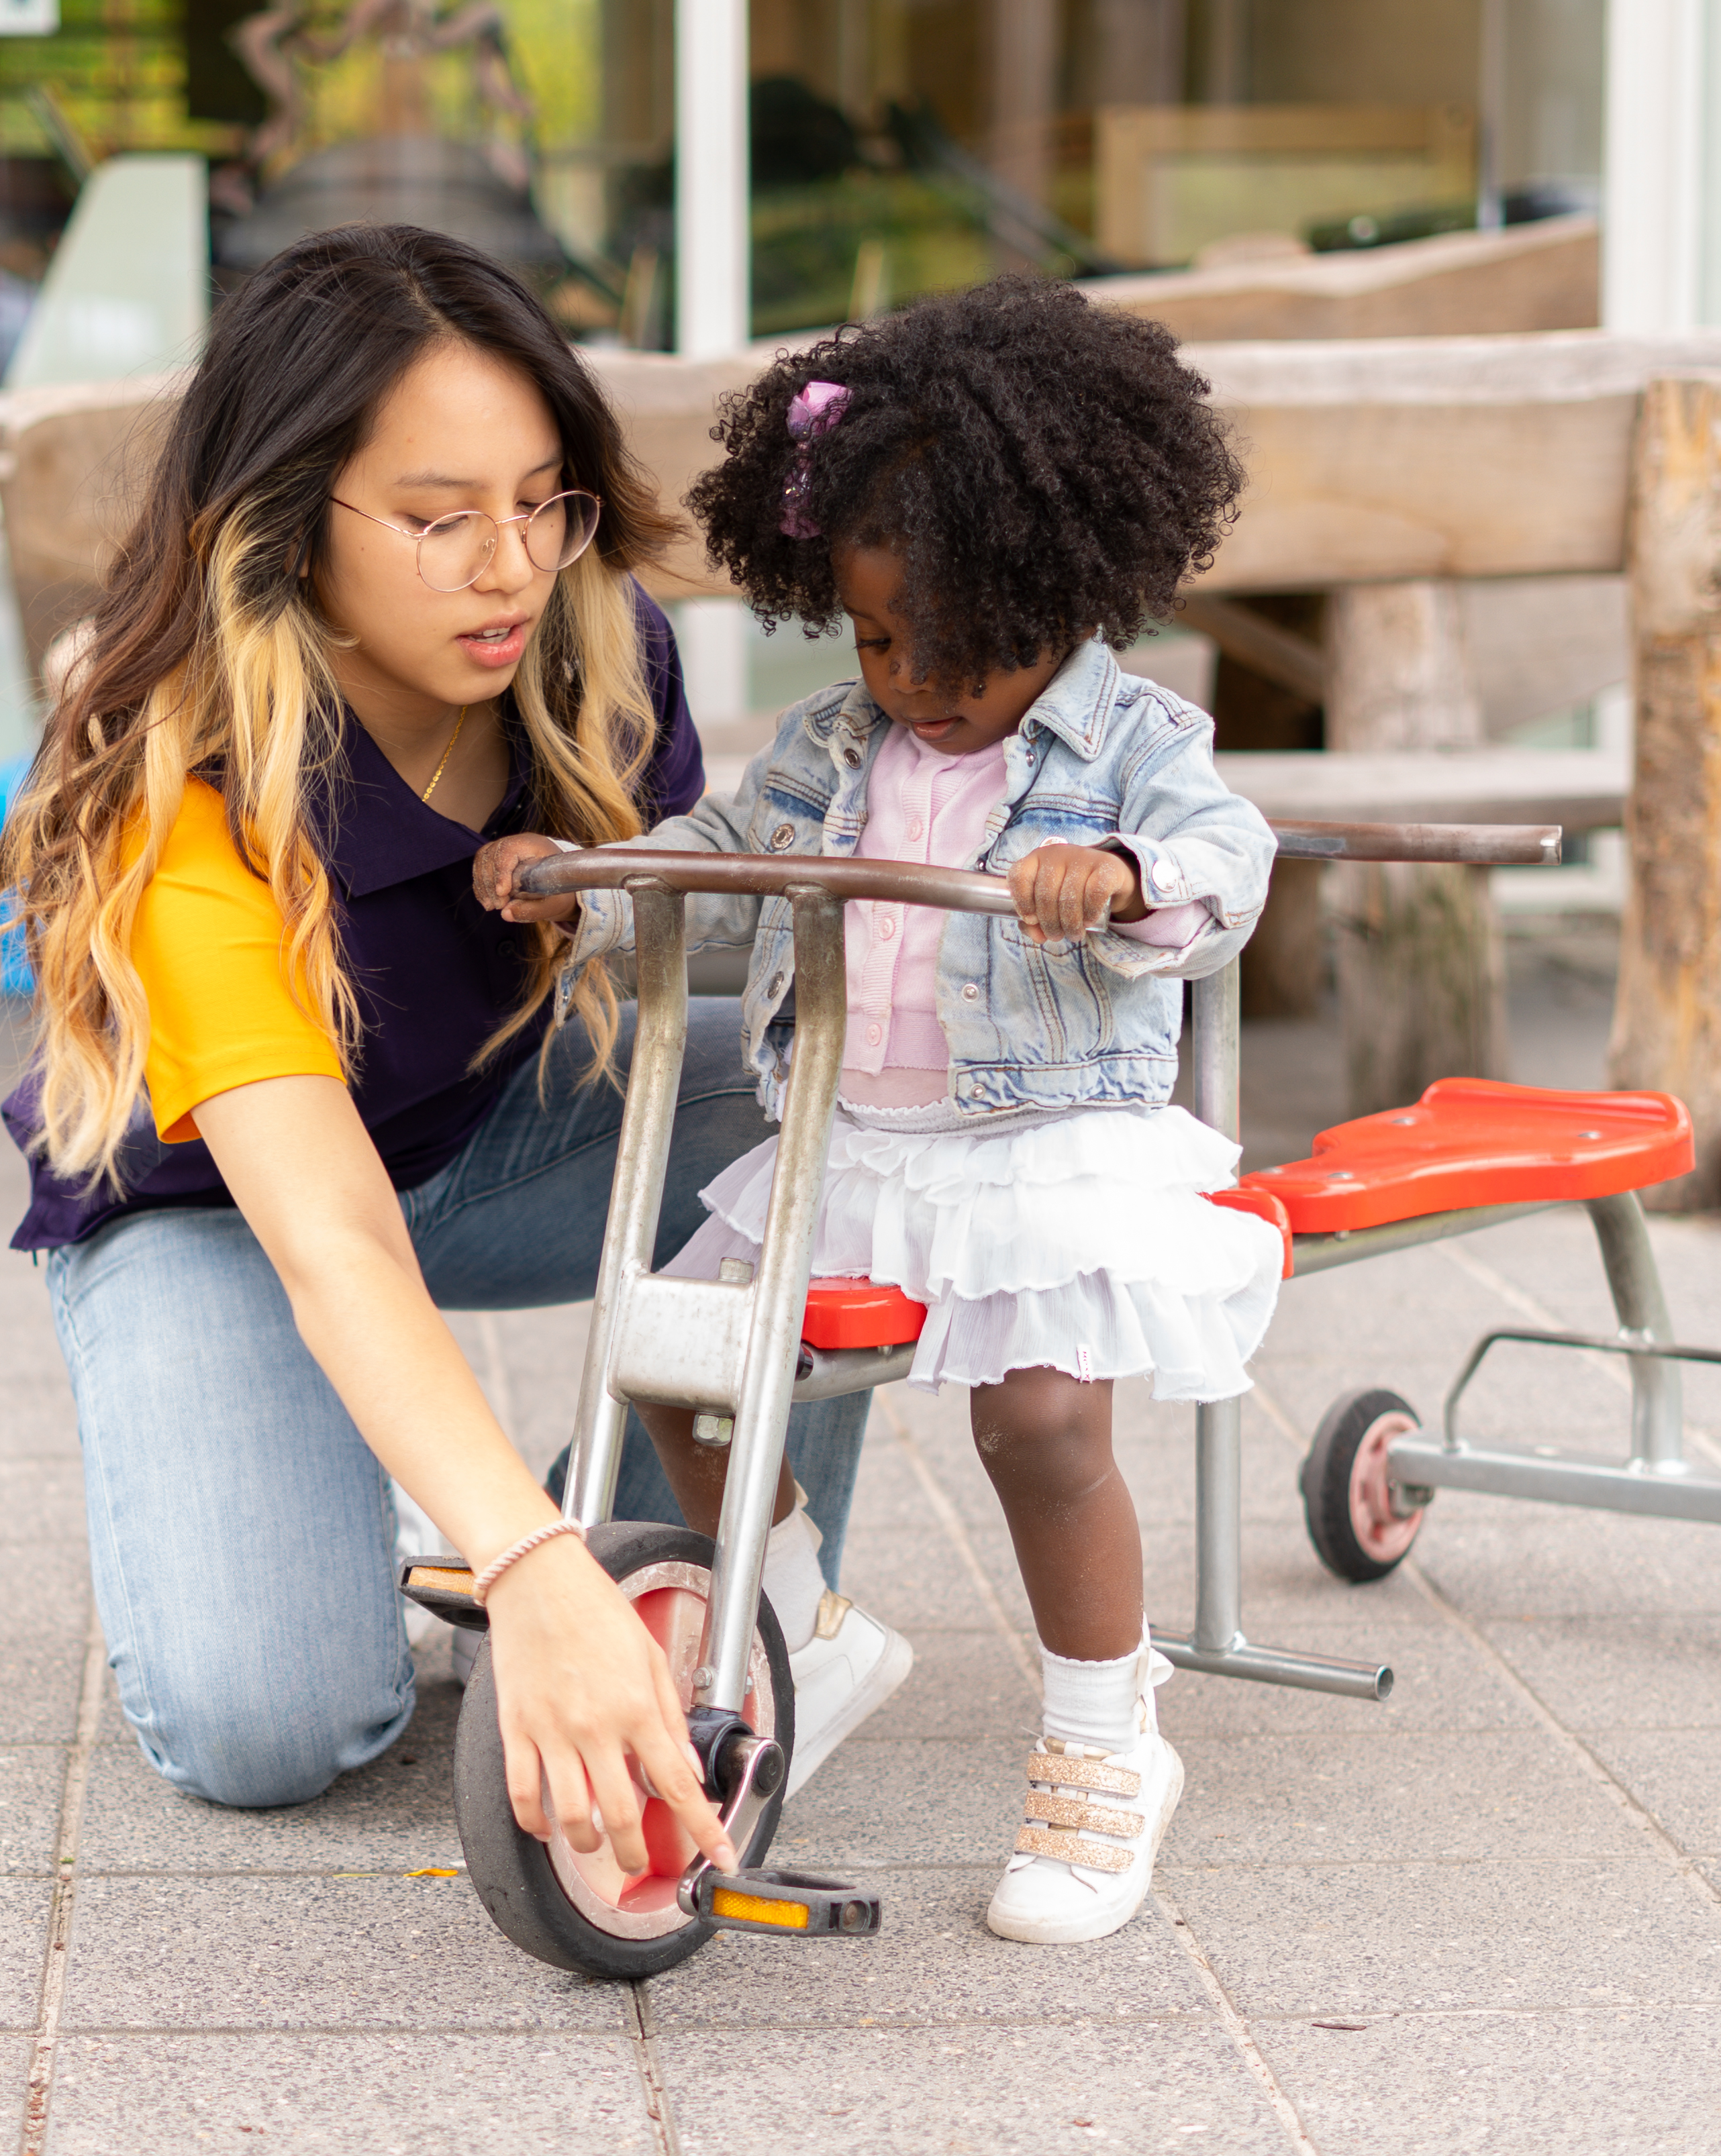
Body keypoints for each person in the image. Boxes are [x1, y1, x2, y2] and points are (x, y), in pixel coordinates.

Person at [0, 225, 910, 1886]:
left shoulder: (602, 653)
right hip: (220, 1212)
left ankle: (682, 1560)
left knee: (836, 1086)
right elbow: (326, 1233)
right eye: (438, 516)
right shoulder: (180, 774)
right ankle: (472, 1536)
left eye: (544, 499)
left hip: (487, 1132)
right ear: (281, 519)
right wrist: (525, 1565)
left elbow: (701, 962)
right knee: (273, 1732)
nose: (511, 564)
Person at [475, 278, 1279, 1944]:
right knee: (689, 1372)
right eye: (874, 634)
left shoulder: (1130, 737)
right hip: (855, 1145)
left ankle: (1103, 1739)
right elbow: (714, 858)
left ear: (1057, 594)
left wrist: (1119, 873)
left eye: (957, 643)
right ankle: (804, 1628)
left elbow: (1227, 864)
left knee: (1042, 1428)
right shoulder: (833, 747)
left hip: (1041, 1148)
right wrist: (585, 882)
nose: (914, 677)